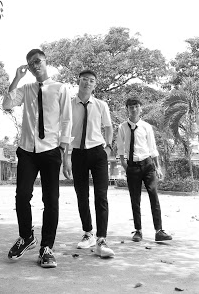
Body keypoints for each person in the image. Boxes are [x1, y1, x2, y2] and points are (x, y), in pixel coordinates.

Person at [2, 49, 72, 268]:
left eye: (37, 61)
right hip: (27, 150)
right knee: (22, 195)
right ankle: (26, 237)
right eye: (30, 63)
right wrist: (16, 78)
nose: (34, 65)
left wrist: (64, 150)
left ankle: (47, 247)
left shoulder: (60, 88)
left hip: (51, 150)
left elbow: (67, 120)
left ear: (45, 61)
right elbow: (7, 104)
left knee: (51, 200)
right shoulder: (26, 89)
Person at [70, 70, 115, 258]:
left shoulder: (101, 105)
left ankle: (101, 239)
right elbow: (63, 127)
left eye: (91, 81)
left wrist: (108, 148)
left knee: (101, 195)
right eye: (84, 80)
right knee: (81, 194)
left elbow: (108, 127)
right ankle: (88, 233)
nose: (87, 83)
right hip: (77, 153)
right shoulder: (69, 104)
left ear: (95, 84)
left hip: (98, 152)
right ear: (78, 81)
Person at [115, 97, 172, 243]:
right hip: (132, 166)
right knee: (135, 199)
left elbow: (152, 148)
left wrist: (157, 167)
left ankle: (159, 231)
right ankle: (138, 231)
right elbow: (120, 147)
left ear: (140, 108)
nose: (134, 109)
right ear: (127, 109)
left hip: (147, 165)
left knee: (154, 196)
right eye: (131, 107)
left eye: (136, 106)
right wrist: (124, 163)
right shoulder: (122, 127)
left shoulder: (146, 127)